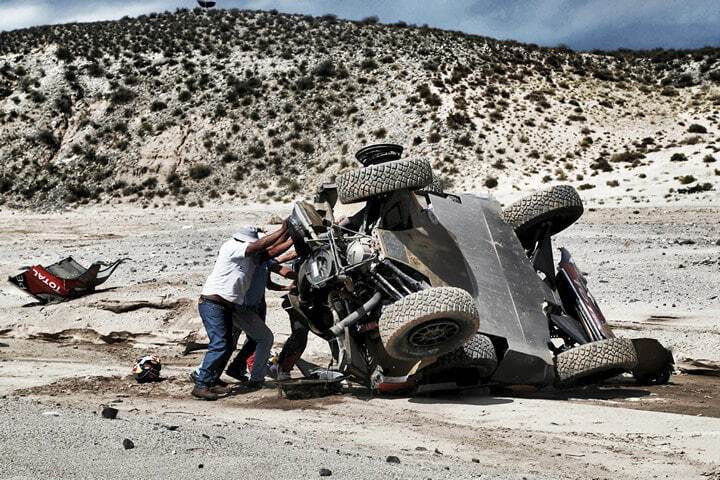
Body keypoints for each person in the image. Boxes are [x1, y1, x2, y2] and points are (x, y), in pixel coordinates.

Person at [191, 222, 292, 401]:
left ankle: (210, 380)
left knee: (227, 344)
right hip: (213, 303)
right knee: (220, 344)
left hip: (226, 306)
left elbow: (272, 252)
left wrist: (291, 234)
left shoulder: (251, 258)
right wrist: (284, 229)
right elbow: (260, 246)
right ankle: (201, 384)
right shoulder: (231, 247)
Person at [224, 249, 297, 384]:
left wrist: (287, 288)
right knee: (262, 339)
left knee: (235, 341)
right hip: (246, 307)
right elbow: (283, 266)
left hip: (246, 305)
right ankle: (254, 376)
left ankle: (233, 368)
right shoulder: (255, 261)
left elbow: (269, 284)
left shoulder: (261, 262)